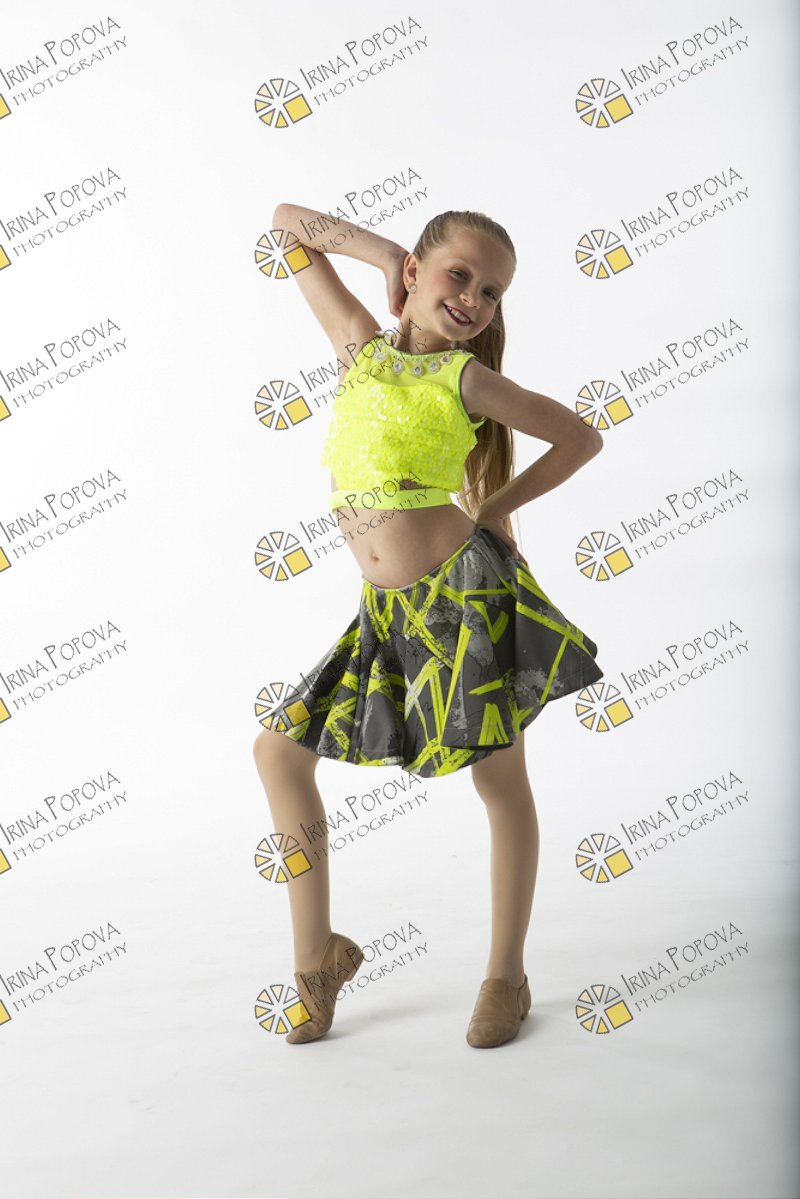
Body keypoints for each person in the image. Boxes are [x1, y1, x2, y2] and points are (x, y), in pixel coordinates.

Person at [253, 204, 605, 1049]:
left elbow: (579, 438)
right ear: (418, 272)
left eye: (492, 292)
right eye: (460, 275)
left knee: (498, 781)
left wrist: (495, 506)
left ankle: (505, 975)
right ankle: (318, 960)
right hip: (385, 612)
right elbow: (285, 226)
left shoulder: (465, 379)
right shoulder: (357, 345)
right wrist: (386, 255)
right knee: (279, 752)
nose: (475, 298)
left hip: (464, 599)